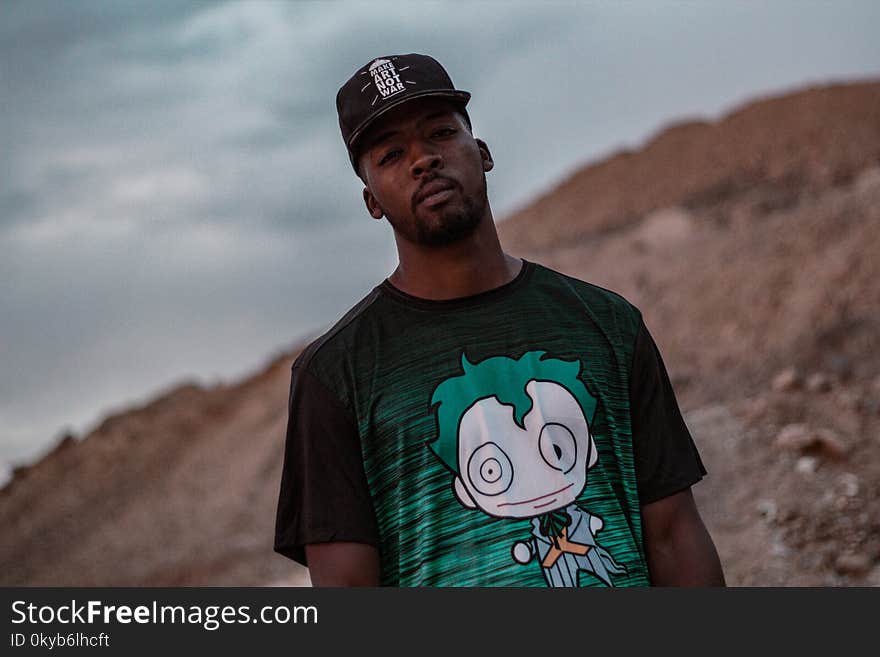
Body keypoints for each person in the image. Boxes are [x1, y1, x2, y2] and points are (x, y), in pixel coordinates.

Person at [273, 53, 725, 587]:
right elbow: (346, 588)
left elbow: (673, 534)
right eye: (392, 154)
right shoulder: (335, 375)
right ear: (371, 200)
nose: (423, 161)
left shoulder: (607, 324)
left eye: (440, 133)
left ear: (482, 152)